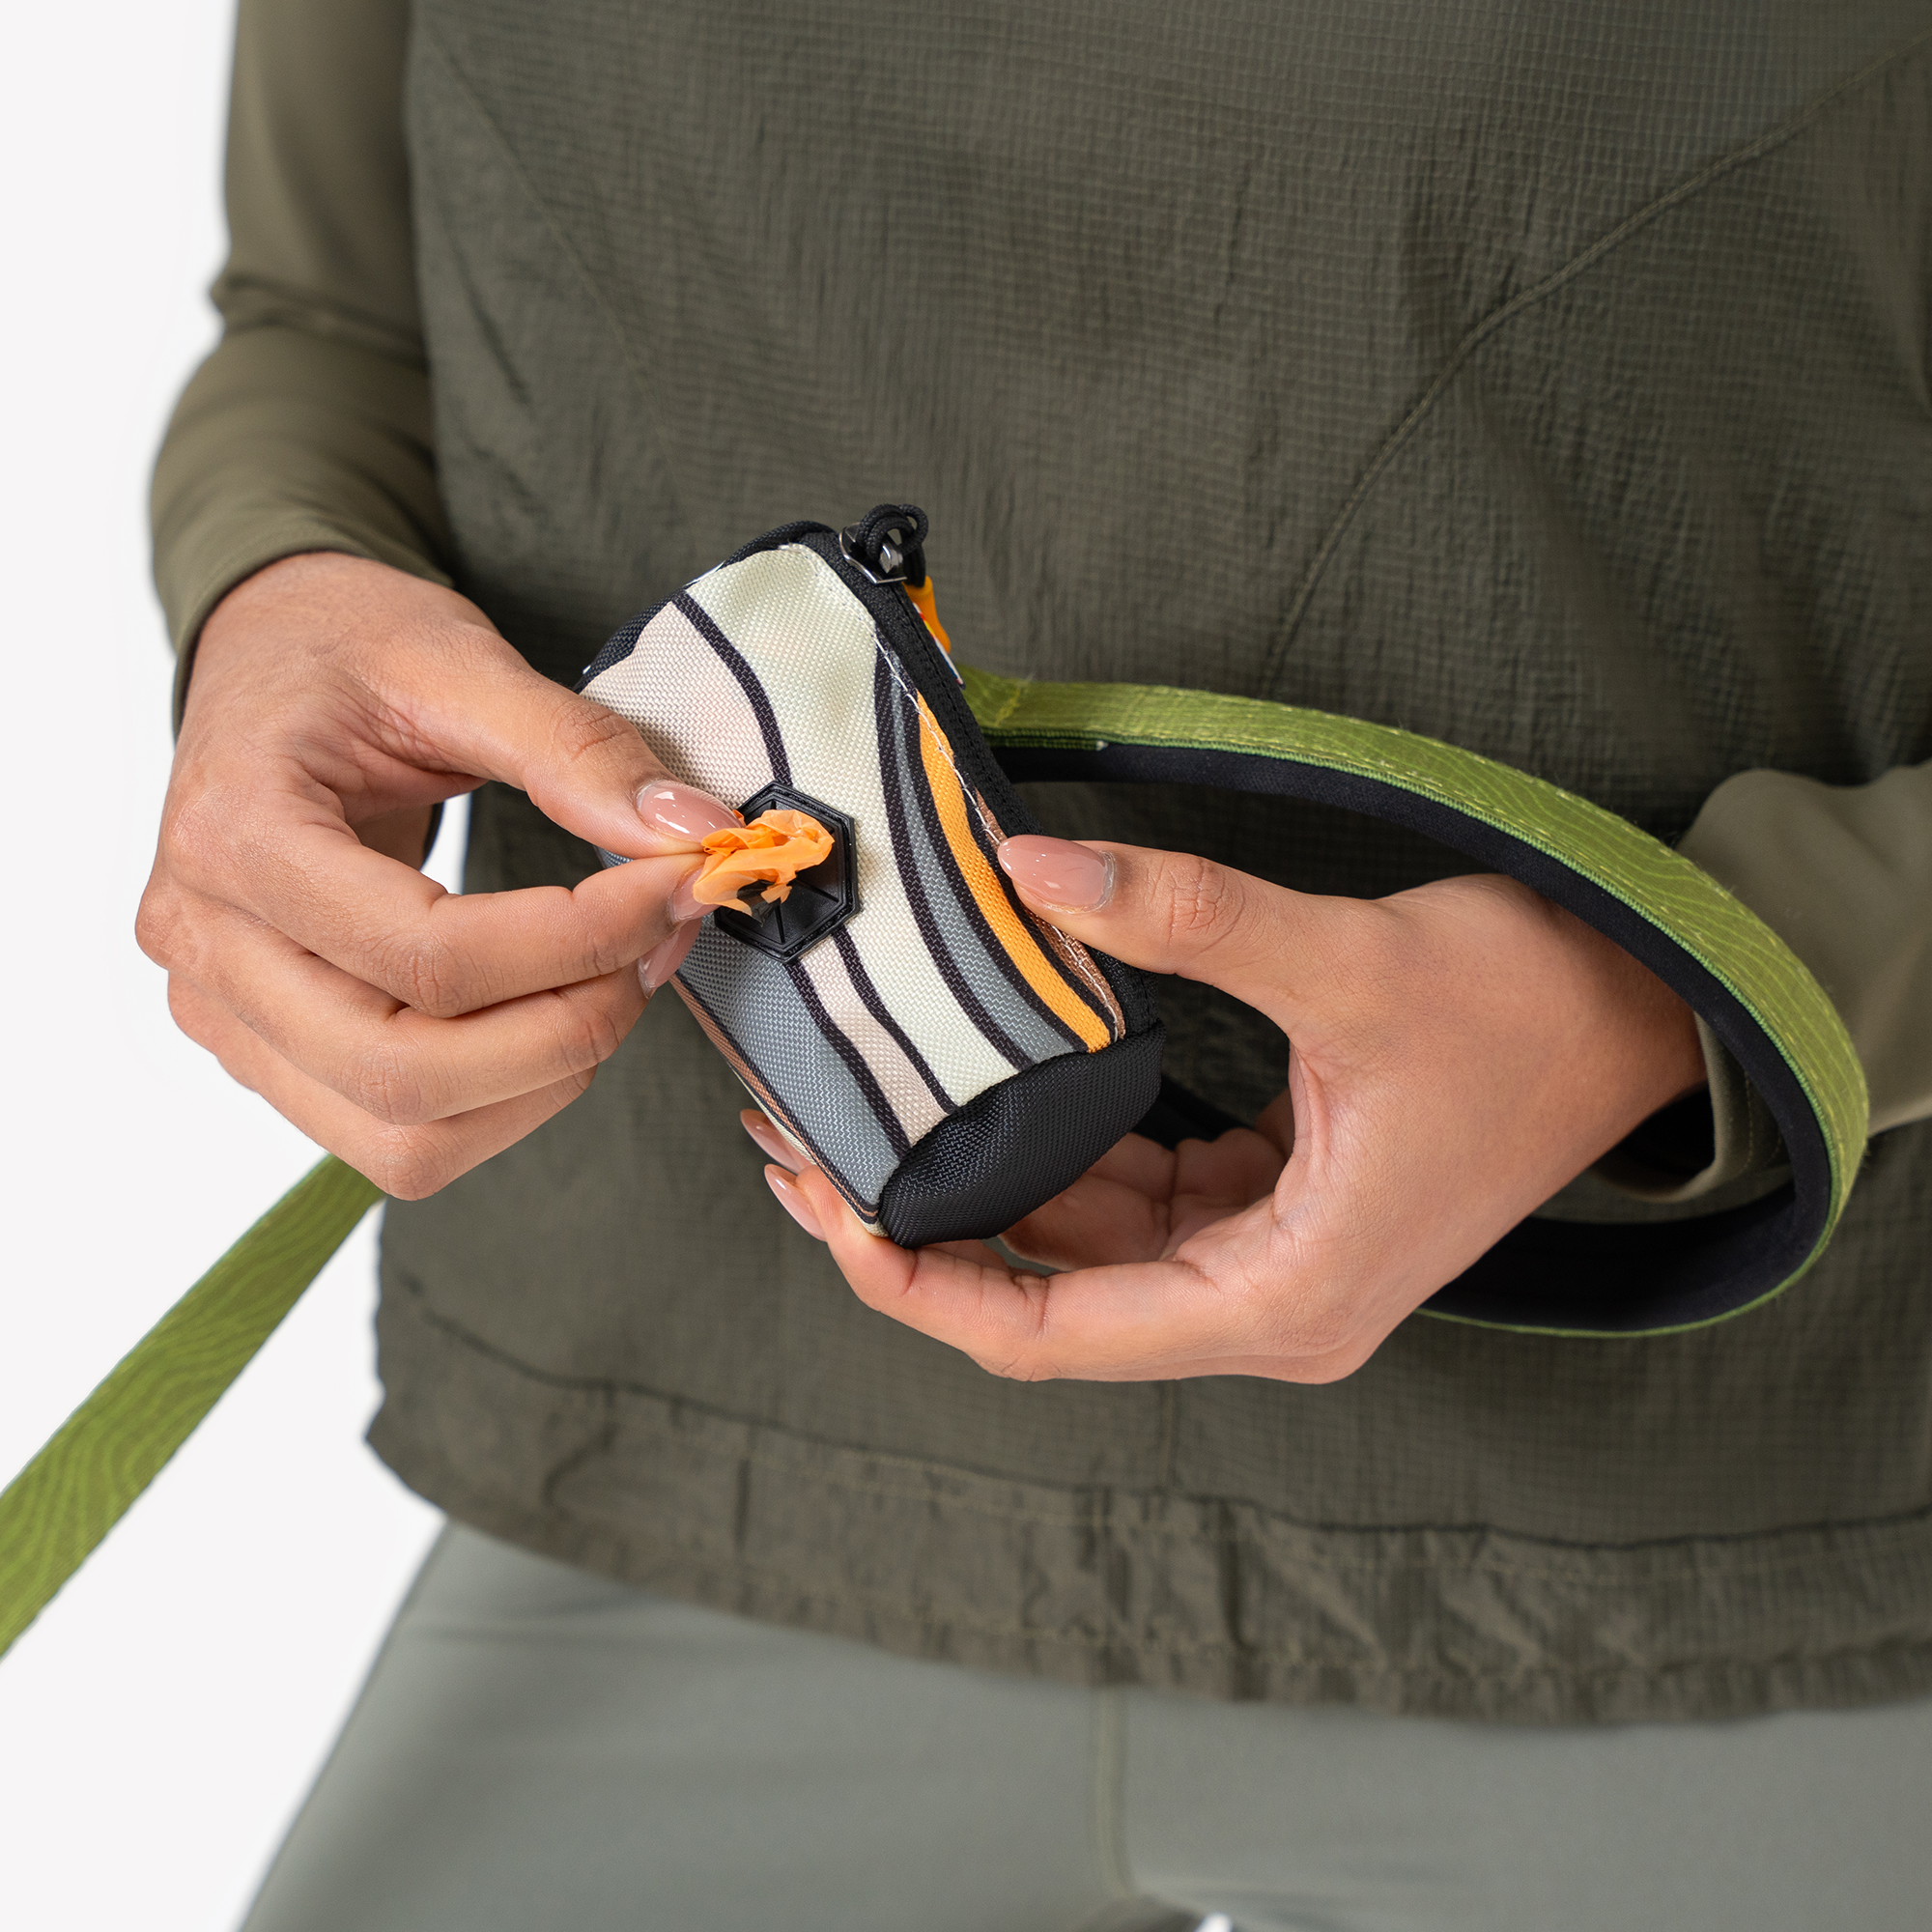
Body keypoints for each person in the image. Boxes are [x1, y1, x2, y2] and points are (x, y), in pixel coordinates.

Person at [139, 1, 1932, 1926]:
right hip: (691, 1412)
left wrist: (1719, 976)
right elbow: (332, 324)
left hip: (1749, 1534)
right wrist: (273, 601)